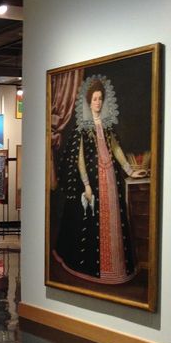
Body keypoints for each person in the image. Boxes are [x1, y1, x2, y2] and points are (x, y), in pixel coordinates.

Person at [53, 76, 147, 284]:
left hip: (110, 179)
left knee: (113, 219)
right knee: (93, 222)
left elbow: (116, 149)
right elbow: (79, 159)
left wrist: (129, 170)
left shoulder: (107, 126)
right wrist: (86, 185)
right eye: (94, 99)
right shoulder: (82, 128)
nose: (98, 102)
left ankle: (114, 269)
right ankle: (99, 269)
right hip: (93, 181)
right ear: (88, 102)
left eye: (100, 99)